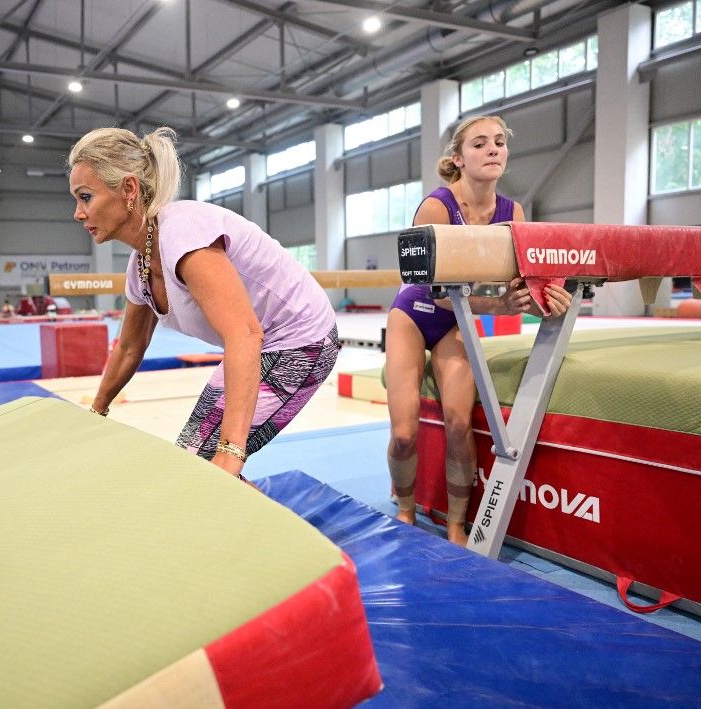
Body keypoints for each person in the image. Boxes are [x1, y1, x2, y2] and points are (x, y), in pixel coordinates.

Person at [68, 126, 339, 481]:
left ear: (129, 189)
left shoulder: (183, 232)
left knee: (203, 467)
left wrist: (231, 450)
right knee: (195, 461)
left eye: (85, 197)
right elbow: (130, 347)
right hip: (261, 343)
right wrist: (96, 411)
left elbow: (244, 334)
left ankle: (271, 533)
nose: (78, 213)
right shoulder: (140, 266)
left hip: (301, 341)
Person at [384, 114, 572, 546]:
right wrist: (501, 304)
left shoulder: (513, 213)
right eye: (480, 144)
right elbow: (434, 293)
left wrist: (546, 299)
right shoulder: (437, 207)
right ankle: (406, 507)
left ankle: (455, 522)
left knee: (457, 424)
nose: (493, 150)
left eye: (500, 143)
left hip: (459, 320)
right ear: (459, 158)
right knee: (403, 432)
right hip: (415, 312)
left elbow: (522, 282)